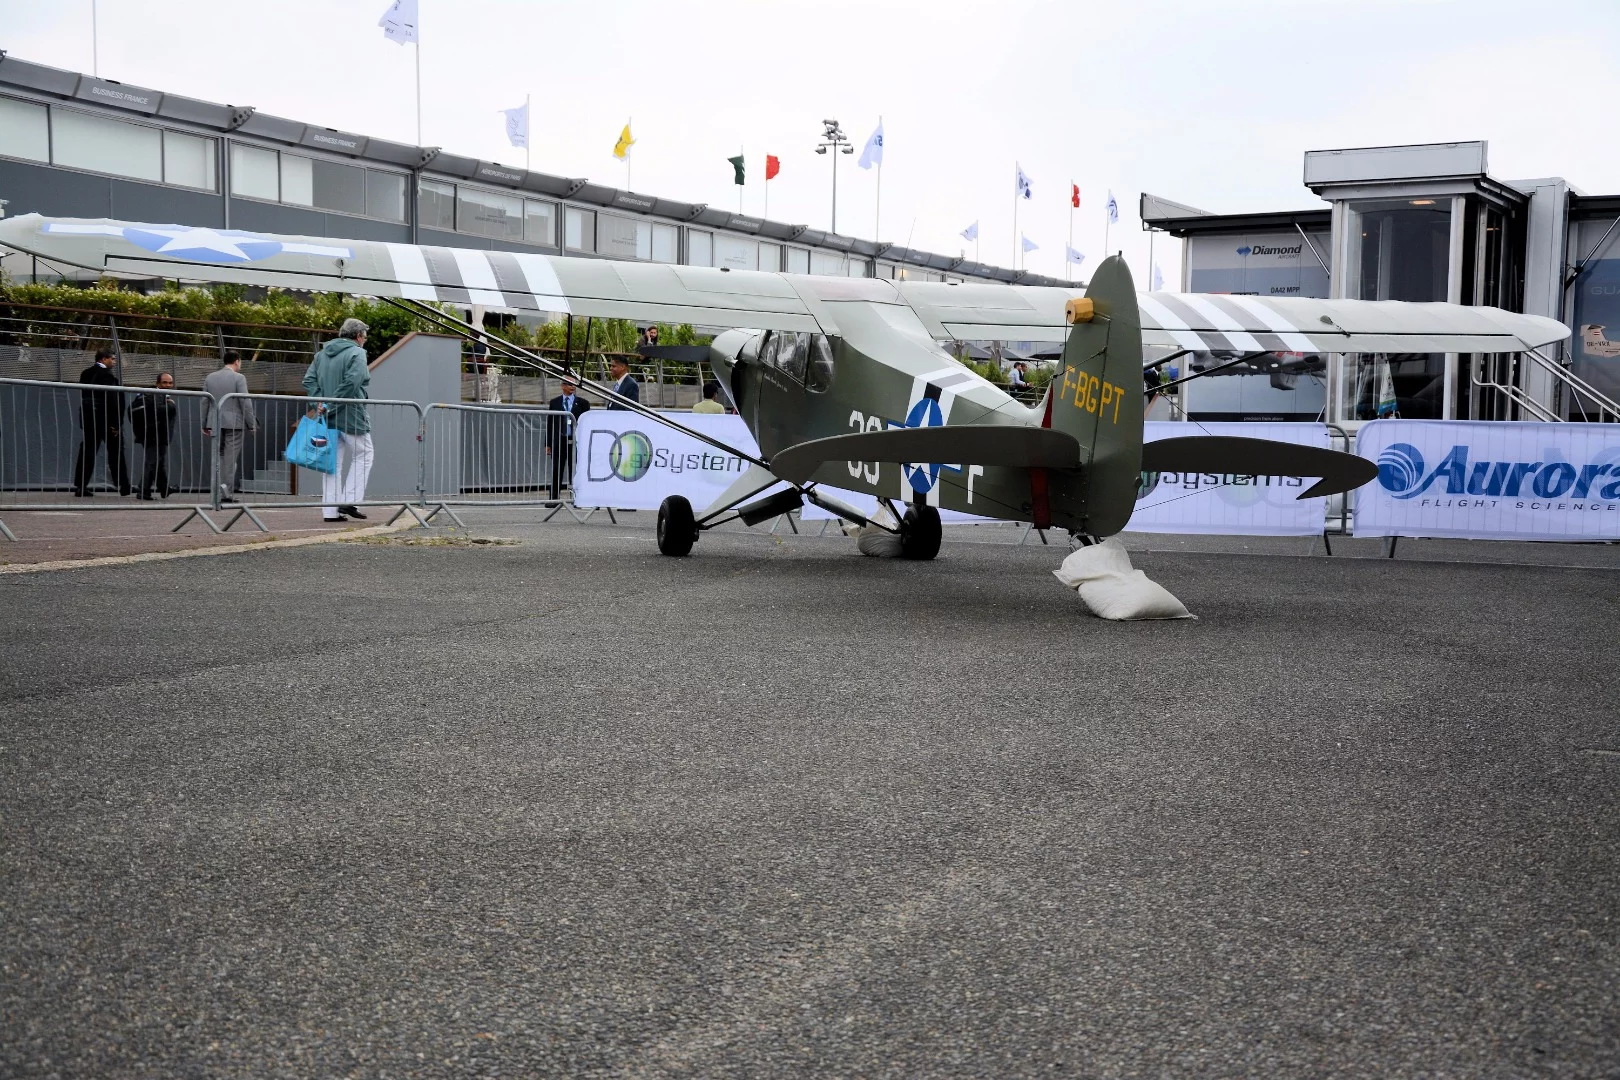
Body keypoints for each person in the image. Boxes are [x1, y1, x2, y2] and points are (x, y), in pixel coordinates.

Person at [303, 318, 373, 522]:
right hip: (351, 414)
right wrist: (330, 404)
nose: (365, 340)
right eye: (365, 336)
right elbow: (353, 382)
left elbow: (309, 380)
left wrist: (319, 403)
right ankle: (349, 500)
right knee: (364, 454)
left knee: (331, 463)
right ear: (358, 336)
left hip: (326, 418)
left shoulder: (321, 354)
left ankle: (330, 511)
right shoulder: (357, 353)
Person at [74, 348, 130, 497]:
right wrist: (116, 423)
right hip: (107, 421)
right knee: (116, 453)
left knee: (87, 452)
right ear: (104, 359)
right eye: (112, 359)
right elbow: (113, 401)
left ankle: (80, 485)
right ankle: (123, 485)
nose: (114, 362)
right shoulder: (107, 376)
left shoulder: (86, 373)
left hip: (89, 419)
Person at [202, 352, 257, 503]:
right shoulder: (239, 378)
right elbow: (245, 402)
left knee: (218, 457)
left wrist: (204, 423)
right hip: (234, 423)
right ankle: (226, 493)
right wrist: (251, 423)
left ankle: (216, 491)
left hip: (214, 421)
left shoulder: (210, 377)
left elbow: (204, 402)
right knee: (230, 459)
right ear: (237, 361)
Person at [131, 372, 178, 500]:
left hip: (152, 434)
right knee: (153, 463)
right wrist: (171, 405)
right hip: (155, 435)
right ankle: (144, 491)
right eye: (164, 382)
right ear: (157, 383)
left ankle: (163, 489)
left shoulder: (149, 394)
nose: (167, 385)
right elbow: (159, 411)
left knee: (157, 463)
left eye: (170, 383)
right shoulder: (156, 395)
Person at [546, 376, 591, 500]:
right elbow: (550, 423)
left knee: (575, 470)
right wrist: (548, 443)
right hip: (559, 441)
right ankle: (554, 498)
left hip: (575, 441)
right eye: (569, 384)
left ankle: (577, 498)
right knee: (557, 470)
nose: (572, 387)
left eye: (574, 384)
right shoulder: (555, 402)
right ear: (563, 386)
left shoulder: (583, 403)